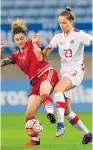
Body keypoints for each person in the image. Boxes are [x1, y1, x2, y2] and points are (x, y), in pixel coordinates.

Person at [1, 19, 59, 146]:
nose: (20, 41)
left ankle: (50, 113)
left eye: (22, 38)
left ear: (25, 37)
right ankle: (35, 140)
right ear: (14, 40)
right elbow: (2, 63)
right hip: (35, 82)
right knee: (29, 114)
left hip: (46, 73)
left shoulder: (31, 43)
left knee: (44, 92)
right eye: (17, 39)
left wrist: (35, 42)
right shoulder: (16, 56)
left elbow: (40, 56)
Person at [42, 6, 93, 144]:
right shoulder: (58, 36)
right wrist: (44, 51)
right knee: (67, 111)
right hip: (64, 72)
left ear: (71, 21)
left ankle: (60, 124)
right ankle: (88, 135)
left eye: (64, 22)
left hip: (76, 71)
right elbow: (48, 49)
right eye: (60, 22)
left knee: (58, 90)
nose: (62, 25)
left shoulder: (79, 34)